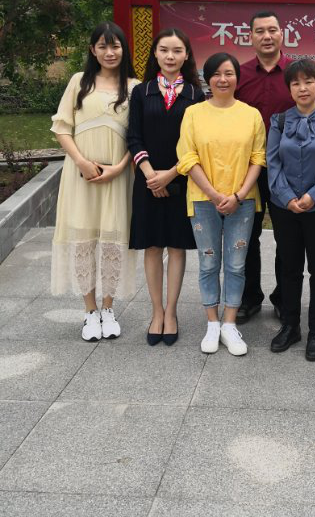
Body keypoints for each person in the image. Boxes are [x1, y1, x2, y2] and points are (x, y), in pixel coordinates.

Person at [51, 22, 139, 341]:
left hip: (118, 176)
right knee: (84, 239)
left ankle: (108, 308)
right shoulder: (79, 82)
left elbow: (139, 136)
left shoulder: (135, 87)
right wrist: (82, 162)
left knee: (114, 240)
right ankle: (90, 311)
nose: (109, 52)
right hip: (81, 176)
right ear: (93, 50)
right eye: (102, 46)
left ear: (123, 49)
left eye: (115, 46)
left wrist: (119, 168)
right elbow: (62, 127)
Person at [177, 52, 266, 356]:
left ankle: (229, 322)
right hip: (204, 200)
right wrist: (215, 195)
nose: (222, 79)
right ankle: (212, 323)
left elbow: (258, 158)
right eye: (216, 74)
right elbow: (187, 157)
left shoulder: (251, 115)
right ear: (207, 79)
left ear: (237, 78)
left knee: (237, 264)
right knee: (208, 262)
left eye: (229, 73)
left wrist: (238, 195)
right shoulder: (193, 113)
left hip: (242, 201)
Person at [127, 28, 204, 346]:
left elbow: (197, 144)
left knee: (176, 246)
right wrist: (151, 176)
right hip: (147, 181)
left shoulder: (196, 95)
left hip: (182, 180)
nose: (170, 56)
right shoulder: (141, 92)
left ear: (186, 55)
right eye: (164, 50)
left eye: (177, 51)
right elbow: (134, 138)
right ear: (155, 54)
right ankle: (156, 312)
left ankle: (171, 312)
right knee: (152, 246)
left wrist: (170, 175)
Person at [268, 59, 315, 361]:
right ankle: (290, 326)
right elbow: (273, 163)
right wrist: (288, 197)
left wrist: (314, 196)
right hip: (285, 208)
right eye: (296, 83)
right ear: (289, 89)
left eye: (308, 82)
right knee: (289, 267)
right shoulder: (279, 121)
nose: (303, 88)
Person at [235, 11, 294, 323]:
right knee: (247, 236)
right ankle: (249, 298)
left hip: (289, 171)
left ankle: (284, 298)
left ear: (282, 34)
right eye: (260, 31)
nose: (267, 36)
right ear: (251, 37)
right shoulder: (238, 74)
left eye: (273, 30)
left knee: (287, 238)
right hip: (247, 171)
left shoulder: (297, 73)